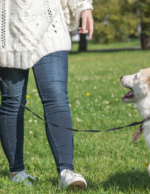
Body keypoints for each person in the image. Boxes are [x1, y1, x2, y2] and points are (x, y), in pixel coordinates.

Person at [0, 0, 94, 190]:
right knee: (13, 101)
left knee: (57, 96)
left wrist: (83, 6)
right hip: (8, 29)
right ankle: (17, 171)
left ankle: (66, 172)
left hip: (51, 26)